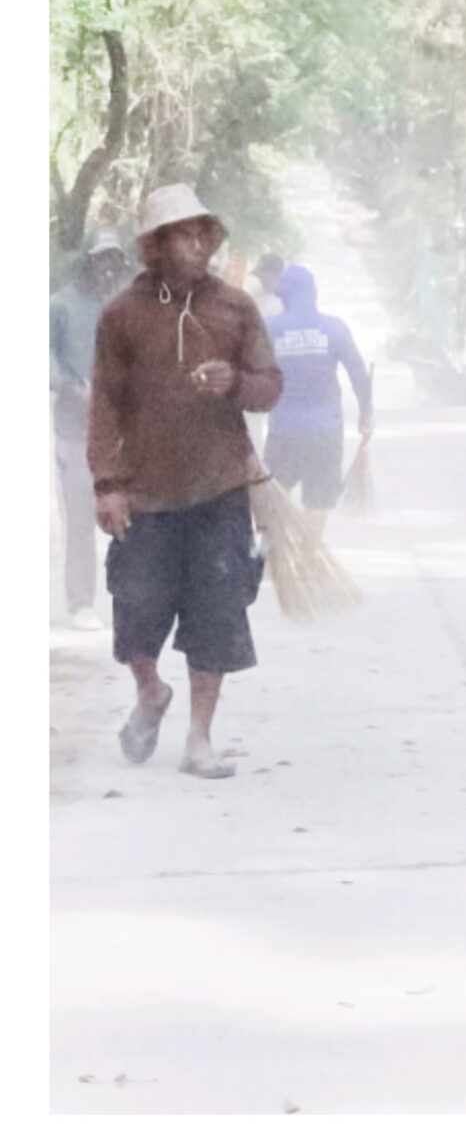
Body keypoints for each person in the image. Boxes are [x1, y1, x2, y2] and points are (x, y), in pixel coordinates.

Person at [88, 186, 284, 780]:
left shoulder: (235, 308)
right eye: (182, 233)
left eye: (203, 231)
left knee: (216, 614)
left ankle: (199, 739)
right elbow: (105, 404)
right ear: (155, 245)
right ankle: (150, 692)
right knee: (137, 611)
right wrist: (107, 484)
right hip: (145, 495)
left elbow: (270, 385)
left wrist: (233, 382)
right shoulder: (122, 315)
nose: (197, 242)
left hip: (220, 489)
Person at [50, 238, 132, 624]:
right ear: (87, 263)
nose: (108, 269)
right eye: (101, 261)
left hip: (124, 434)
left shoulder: (123, 306)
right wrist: (70, 383)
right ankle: (81, 601)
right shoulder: (60, 305)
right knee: (82, 518)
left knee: (132, 517)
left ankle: (132, 598)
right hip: (75, 430)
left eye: (115, 262)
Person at [263, 263, 374, 513]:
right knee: (319, 502)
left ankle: (281, 549)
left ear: (283, 295)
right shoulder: (334, 328)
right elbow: (358, 373)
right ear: (313, 293)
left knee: (276, 501)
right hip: (325, 431)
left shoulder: (270, 328)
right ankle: (309, 549)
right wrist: (366, 414)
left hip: (283, 430)